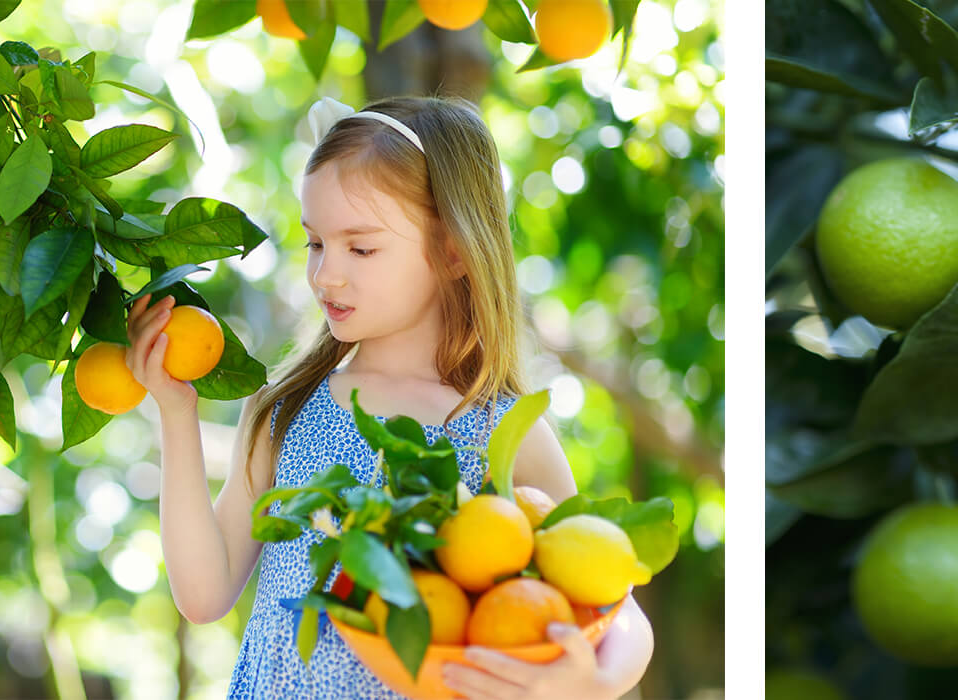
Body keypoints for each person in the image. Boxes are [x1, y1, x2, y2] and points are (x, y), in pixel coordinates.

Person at [127, 95, 655, 699]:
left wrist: (593, 684)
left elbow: (618, 603)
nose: (326, 274)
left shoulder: (498, 430)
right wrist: (176, 411)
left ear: (454, 249)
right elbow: (203, 595)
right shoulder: (285, 410)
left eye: (361, 247)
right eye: (316, 243)